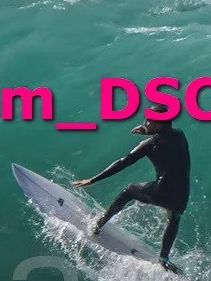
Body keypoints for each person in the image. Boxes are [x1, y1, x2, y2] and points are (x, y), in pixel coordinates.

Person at [74, 116, 190, 270]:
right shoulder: (180, 135)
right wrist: (148, 130)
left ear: (157, 123)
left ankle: (98, 225)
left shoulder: (150, 145)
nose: (145, 123)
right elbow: (164, 136)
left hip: (161, 191)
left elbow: (122, 163)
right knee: (174, 218)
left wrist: (93, 179)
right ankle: (163, 258)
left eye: (148, 121)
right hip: (182, 195)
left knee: (128, 191)